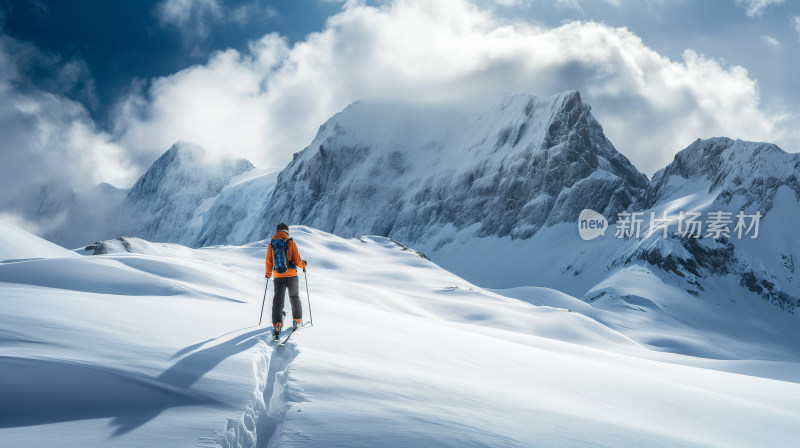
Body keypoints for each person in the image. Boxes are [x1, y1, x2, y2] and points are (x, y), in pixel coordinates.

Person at [265, 223, 307, 339]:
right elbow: (297, 260)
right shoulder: (291, 243)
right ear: (287, 232)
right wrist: (304, 265)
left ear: (277, 231)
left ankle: (277, 324)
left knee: (278, 301)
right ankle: (297, 321)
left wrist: (268, 274)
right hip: (292, 275)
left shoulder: (272, 244)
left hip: (278, 275)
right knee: (294, 297)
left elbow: (268, 261)